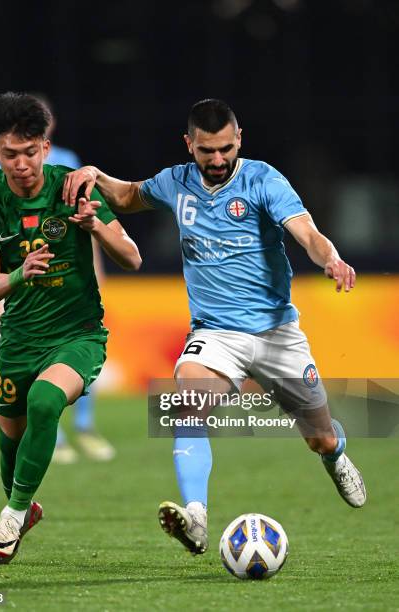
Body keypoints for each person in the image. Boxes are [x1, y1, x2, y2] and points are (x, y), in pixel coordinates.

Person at [62, 98, 366, 555]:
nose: (218, 159)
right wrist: (95, 174)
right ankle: (197, 518)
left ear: (238, 140)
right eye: (207, 151)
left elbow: (307, 233)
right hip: (215, 334)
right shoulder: (175, 182)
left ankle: (336, 454)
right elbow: (125, 196)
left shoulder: (263, 180)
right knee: (187, 404)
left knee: (319, 436)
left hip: (277, 334)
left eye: (226, 148)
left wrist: (332, 258)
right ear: (189, 145)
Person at [0, 91, 141, 564]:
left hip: (77, 333)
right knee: (10, 435)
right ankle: (24, 506)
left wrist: (97, 227)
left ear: (45, 147)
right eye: (10, 154)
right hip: (20, 338)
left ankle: (13, 513)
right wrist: (22, 272)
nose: (21, 163)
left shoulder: (75, 188)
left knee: (45, 401)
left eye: (29, 152)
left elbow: (132, 257)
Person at [0, 94, 115, 465]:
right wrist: (10, 274)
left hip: (69, 282)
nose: (22, 162)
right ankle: (59, 437)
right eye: (11, 153)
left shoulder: (68, 164)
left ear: (46, 138)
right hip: (24, 283)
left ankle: (85, 427)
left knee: (75, 355)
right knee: (30, 384)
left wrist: (98, 268)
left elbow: (86, 224)